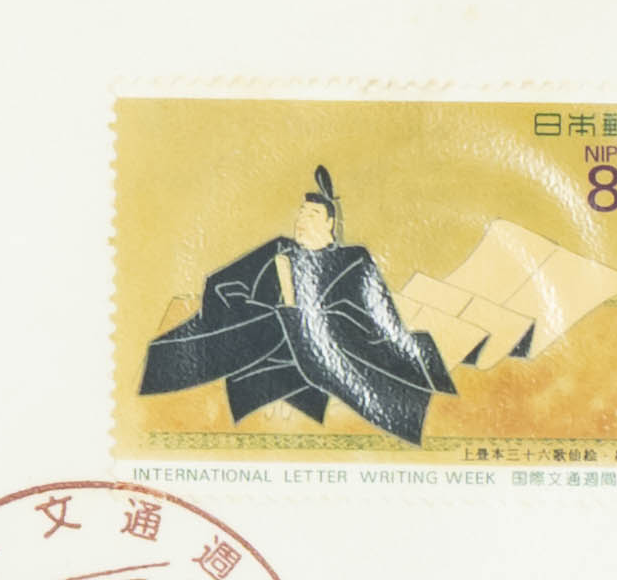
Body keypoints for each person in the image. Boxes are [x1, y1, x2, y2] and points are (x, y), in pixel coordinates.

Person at [137, 164, 456, 443]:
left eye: (312, 214)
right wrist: (268, 315)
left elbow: (376, 316)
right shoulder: (280, 250)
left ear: (330, 223)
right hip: (271, 339)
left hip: (333, 344)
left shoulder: (353, 259)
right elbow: (221, 283)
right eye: (301, 213)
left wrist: (319, 322)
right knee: (254, 333)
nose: (302, 220)